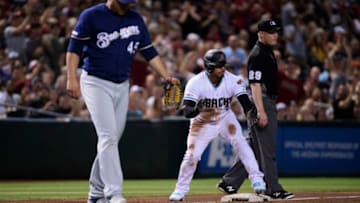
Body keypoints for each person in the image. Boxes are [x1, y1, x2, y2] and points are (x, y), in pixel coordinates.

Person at [65, 0, 178, 203]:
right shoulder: (91, 15)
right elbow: (74, 48)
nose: (128, 5)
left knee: (112, 139)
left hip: (122, 84)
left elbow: (149, 51)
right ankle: (114, 193)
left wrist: (166, 76)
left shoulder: (135, 19)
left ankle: (96, 193)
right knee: (108, 137)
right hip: (95, 82)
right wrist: (71, 77)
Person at [169, 49, 266, 201]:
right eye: (219, 66)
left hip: (225, 117)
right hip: (202, 122)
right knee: (192, 155)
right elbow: (188, 112)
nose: (223, 68)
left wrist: (251, 112)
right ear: (209, 67)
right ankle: (180, 190)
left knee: (241, 143)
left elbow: (245, 103)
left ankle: (257, 179)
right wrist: (196, 109)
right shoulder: (195, 83)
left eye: (223, 65)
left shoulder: (233, 80)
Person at [217, 19, 295, 200]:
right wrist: (261, 110)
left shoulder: (267, 51)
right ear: (261, 34)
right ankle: (272, 188)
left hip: (264, 100)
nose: (275, 34)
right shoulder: (258, 54)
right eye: (271, 32)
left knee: (253, 147)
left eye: (276, 31)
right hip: (262, 100)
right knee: (266, 150)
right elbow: (255, 84)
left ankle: (230, 182)